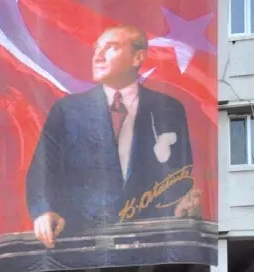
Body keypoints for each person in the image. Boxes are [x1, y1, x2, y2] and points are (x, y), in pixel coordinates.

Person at [25, 25, 201, 251]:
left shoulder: (169, 109)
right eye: (97, 48)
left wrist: (180, 207)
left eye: (111, 47)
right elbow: (41, 170)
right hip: (81, 244)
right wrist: (42, 210)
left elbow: (176, 175)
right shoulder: (67, 111)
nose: (97, 56)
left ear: (138, 57)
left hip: (149, 244)